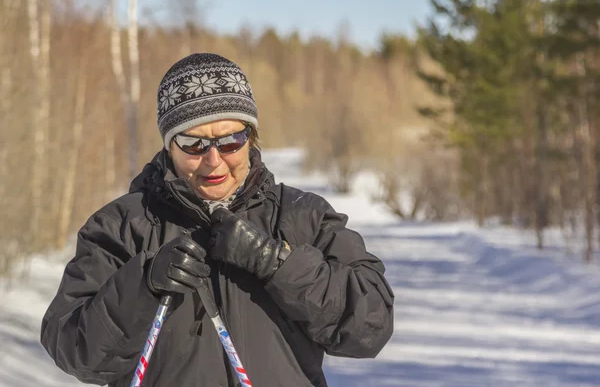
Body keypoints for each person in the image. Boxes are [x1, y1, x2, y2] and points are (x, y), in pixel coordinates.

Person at [40, 53, 395, 387]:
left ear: (250, 138)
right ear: (169, 146)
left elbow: (370, 327)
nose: (213, 161)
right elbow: (75, 351)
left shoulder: (303, 215)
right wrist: (143, 285)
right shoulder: (122, 225)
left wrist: (278, 265)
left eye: (230, 141)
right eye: (193, 144)